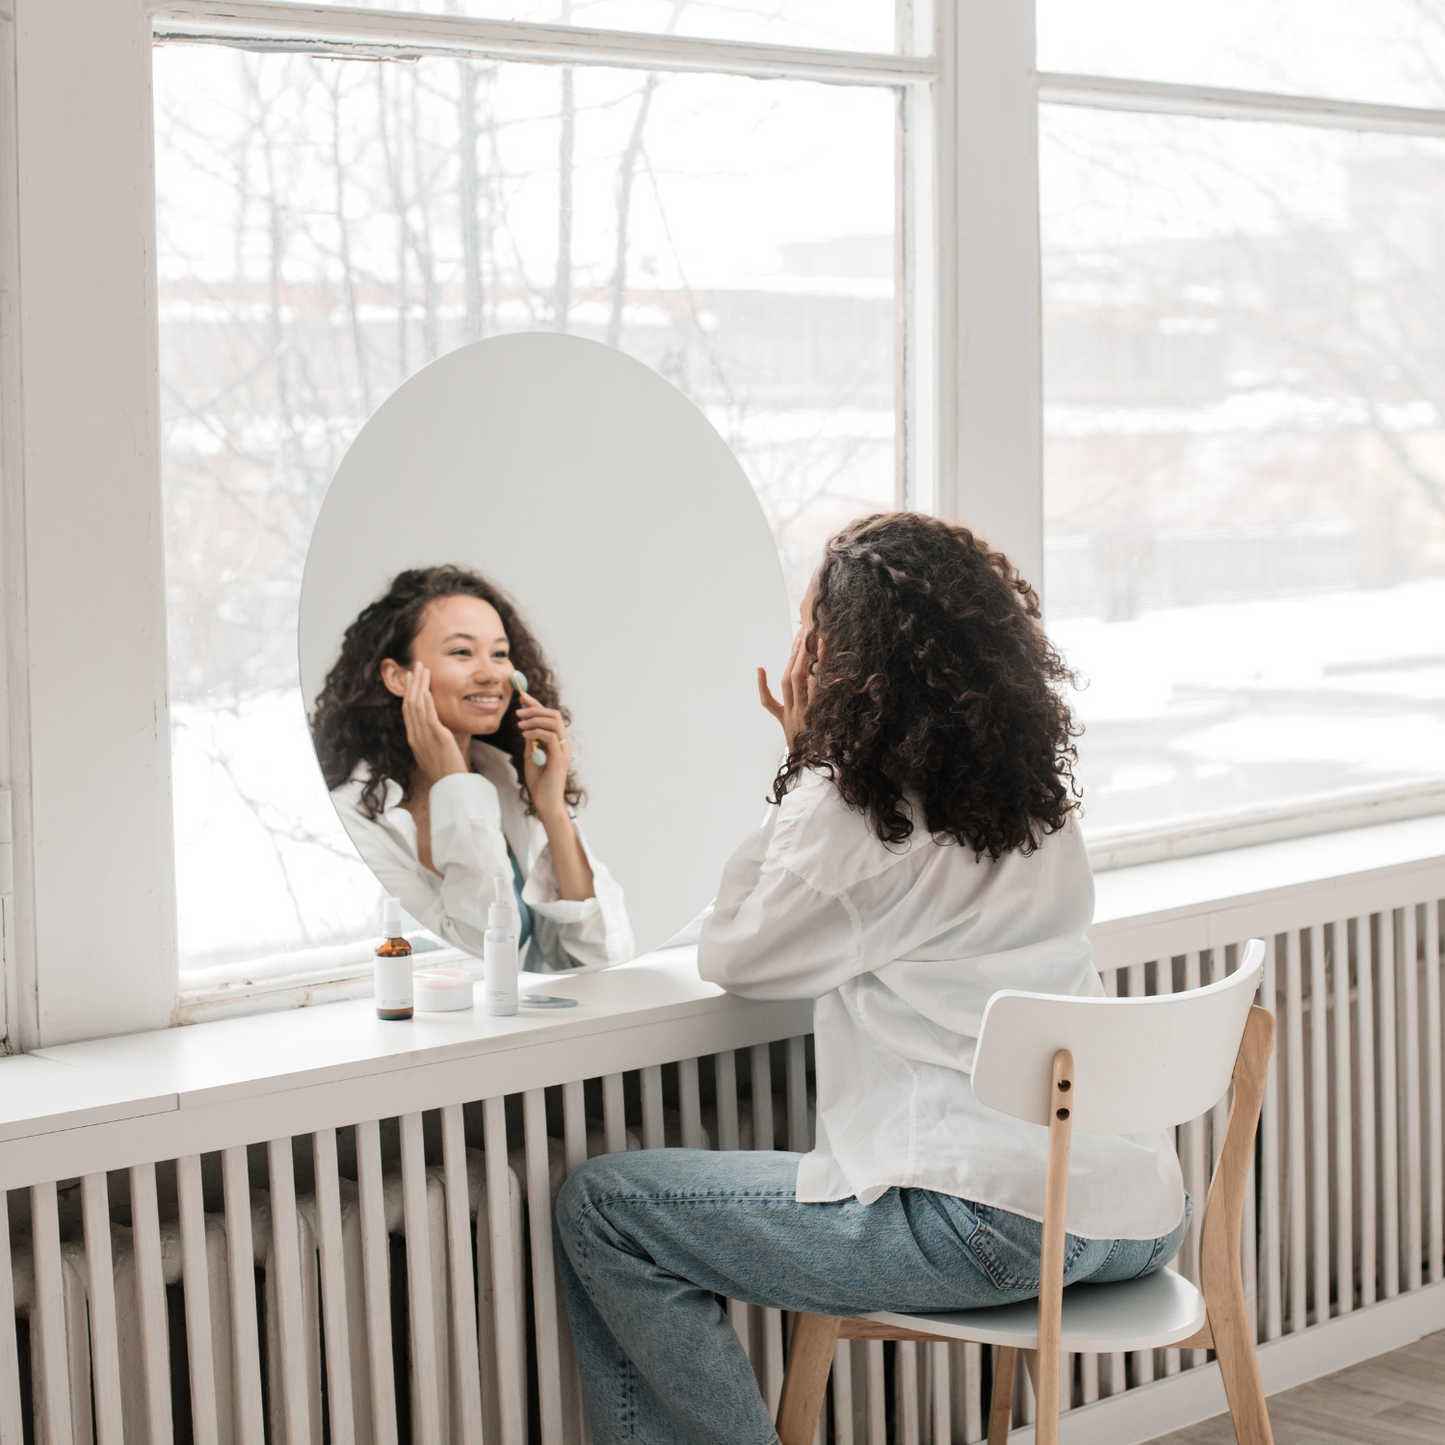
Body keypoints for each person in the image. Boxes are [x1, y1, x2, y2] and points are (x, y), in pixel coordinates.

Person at [553, 512, 1188, 1445]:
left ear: (841, 660)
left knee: (605, 1208)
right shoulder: (1036, 808)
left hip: (993, 1229)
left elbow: (734, 953)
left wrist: (805, 761)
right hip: (1133, 1215)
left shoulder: (862, 816)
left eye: (809, 625)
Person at [311, 564, 632, 970]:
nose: (491, 673)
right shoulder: (354, 818)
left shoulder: (508, 781)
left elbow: (602, 959)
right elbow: (479, 962)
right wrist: (454, 787)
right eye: (462, 652)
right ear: (397, 676)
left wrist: (552, 813)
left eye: (499, 654)